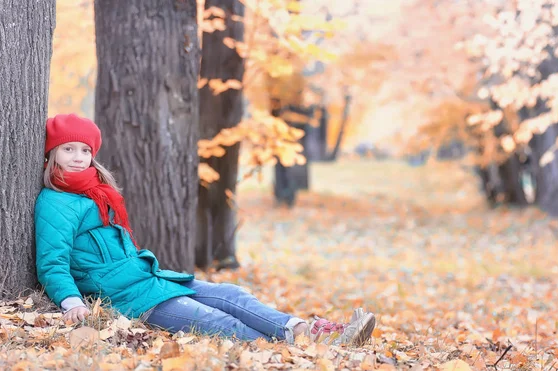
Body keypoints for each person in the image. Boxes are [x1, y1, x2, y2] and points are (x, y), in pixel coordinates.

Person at [35, 113, 376, 346]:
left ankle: (308, 332)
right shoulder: (56, 202)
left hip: (150, 280)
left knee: (233, 295)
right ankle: (307, 349)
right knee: (217, 322)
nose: (78, 157)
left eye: (85, 150)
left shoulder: (97, 191)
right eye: (68, 149)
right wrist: (71, 303)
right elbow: (53, 261)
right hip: (126, 298)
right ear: (53, 153)